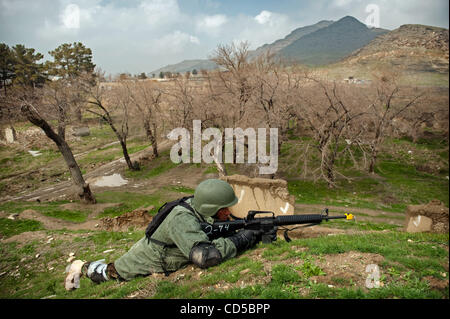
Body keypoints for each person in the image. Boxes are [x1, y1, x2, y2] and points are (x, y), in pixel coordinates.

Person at [65, 179, 263, 290]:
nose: (228, 213)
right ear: (210, 207)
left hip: (162, 248)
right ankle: (81, 267)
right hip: (145, 259)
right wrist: (243, 238)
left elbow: (211, 229)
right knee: (108, 273)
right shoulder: (182, 219)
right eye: (224, 209)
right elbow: (206, 257)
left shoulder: (200, 207)